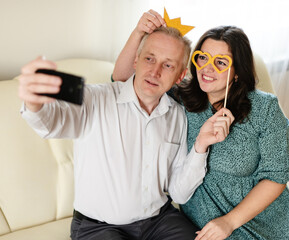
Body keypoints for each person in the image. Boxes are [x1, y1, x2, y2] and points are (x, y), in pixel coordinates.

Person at [18, 26, 234, 240]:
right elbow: (51, 122)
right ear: (136, 60)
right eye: (149, 59)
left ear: (180, 75)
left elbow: (178, 192)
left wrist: (200, 147)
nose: (155, 71)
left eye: (168, 65)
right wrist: (34, 102)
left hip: (158, 221)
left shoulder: (177, 115)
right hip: (97, 228)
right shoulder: (96, 98)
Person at [113, 9, 289, 240]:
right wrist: (138, 33)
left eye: (221, 62)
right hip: (199, 227)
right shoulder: (179, 97)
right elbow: (122, 81)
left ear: (237, 71)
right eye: (203, 57)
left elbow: (276, 176)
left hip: (260, 223)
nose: (208, 68)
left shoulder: (264, 108)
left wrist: (228, 222)